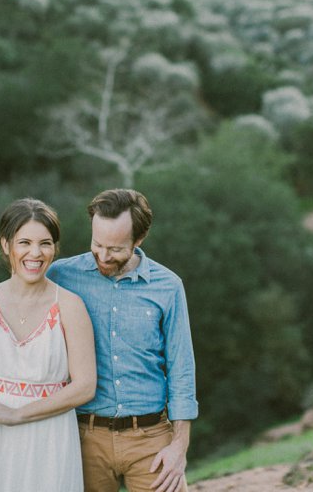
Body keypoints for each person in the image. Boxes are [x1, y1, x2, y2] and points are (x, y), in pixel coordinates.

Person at [47, 188, 197, 492]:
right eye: (97, 244)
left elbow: (181, 369)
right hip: (83, 437)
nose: (103, 256)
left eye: (114, 249)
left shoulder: (168, 286)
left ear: (138, 240)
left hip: (151, 439)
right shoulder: (61, 276)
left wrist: (179, 446)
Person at [0, 198, 96, 491]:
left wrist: (15, 414)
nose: (36, 253)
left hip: (49, 436)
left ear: (54, 248)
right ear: (6, 245)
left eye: (45, 243)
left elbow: (85, 385)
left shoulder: (71, 306)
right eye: (25, 242)